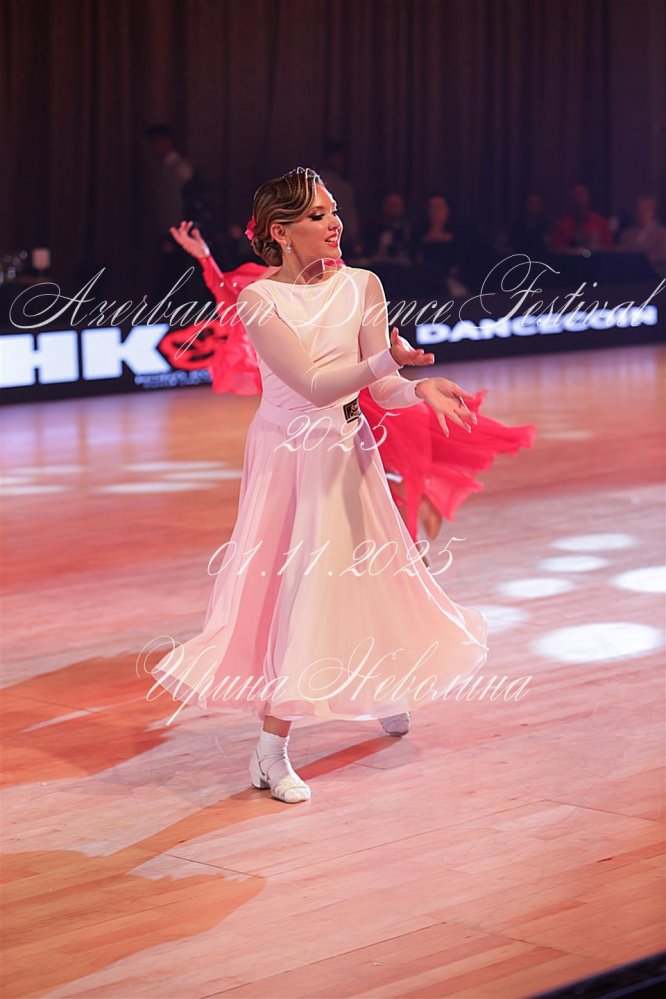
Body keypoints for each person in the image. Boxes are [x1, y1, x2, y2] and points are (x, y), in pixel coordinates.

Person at [148, 166, 491, 805]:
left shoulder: (364, 284)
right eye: (317, 215)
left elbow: (380, 387)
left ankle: (383, 684)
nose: (335, 223)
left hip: (350, 449)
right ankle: (269, 751)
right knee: (298, 589)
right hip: (291, 458)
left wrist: (417, 386)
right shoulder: (261, 301)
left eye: (333, 210)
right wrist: (388, 360)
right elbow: (311, 385)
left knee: (370, 574)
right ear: (280, 233)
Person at [168, 226, 535, 547]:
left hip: (355, 392)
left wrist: (393, 359)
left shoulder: (340, 275)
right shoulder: (261, 288)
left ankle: (404, 539)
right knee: (338, 491)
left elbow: (365, 331)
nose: (331, 225)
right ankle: (401, 535)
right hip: (304, 407)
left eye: (329, 213)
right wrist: (204, 257)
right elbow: (229, 295)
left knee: (379, 466)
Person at [550, 183, 613, 252]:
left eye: (581, 194)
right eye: (575, 195)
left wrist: (594, 244)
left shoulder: (600, 222)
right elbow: (554, 249)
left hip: (594, 258)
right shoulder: (562, 224)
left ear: (588, 197)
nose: (578, 199)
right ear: (570, 199)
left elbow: (609, 248)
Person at [617, 194, 666, 278]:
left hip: (654, 277)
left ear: (653, 212)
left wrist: (644, 259)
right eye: (639, 210)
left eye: (645, 210)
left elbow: (663, 255)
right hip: (629, 277)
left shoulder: (661, 234)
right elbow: (621, 256)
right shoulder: (626, 235)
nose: (642, 214)